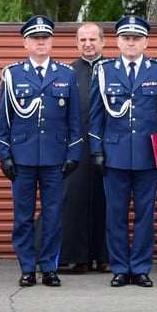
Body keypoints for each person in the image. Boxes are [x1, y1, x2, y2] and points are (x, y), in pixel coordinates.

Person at [89, 15, 157, 288]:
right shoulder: (104, 71)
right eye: (126, 38)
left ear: (145, 42)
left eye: (136, 38)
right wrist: (96, 150)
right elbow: (95, 116)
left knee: (144, 214)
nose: (131, 43)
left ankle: (140, 267)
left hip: (147, 155)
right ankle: (119, 268)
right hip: (114, 153)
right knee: (115, 214)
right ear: (117, 41)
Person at [0, 15, 82, 287]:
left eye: (45, 38)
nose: (41, 43)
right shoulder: (12, 74)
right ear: (26, 43)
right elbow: (4, 120)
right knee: (22, 216)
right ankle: (26, 268)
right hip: (21, 158)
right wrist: (5, 155)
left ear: (52, 42)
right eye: (35, 38)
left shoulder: (66, 74)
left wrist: (73, 154)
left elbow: (75, 121)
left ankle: (49, 267)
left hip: (55, 158)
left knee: (53, 216)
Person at [60, 22, 109, 273]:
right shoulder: (67, 72)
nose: (88, 44)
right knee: (74, 200)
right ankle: (78, 256)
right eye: (83, 40)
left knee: (106, 201)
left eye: (93, 39)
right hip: (77, 146)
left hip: (109, 148)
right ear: (76, 43)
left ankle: (104, 256)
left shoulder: (113, 70)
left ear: (103, 41)